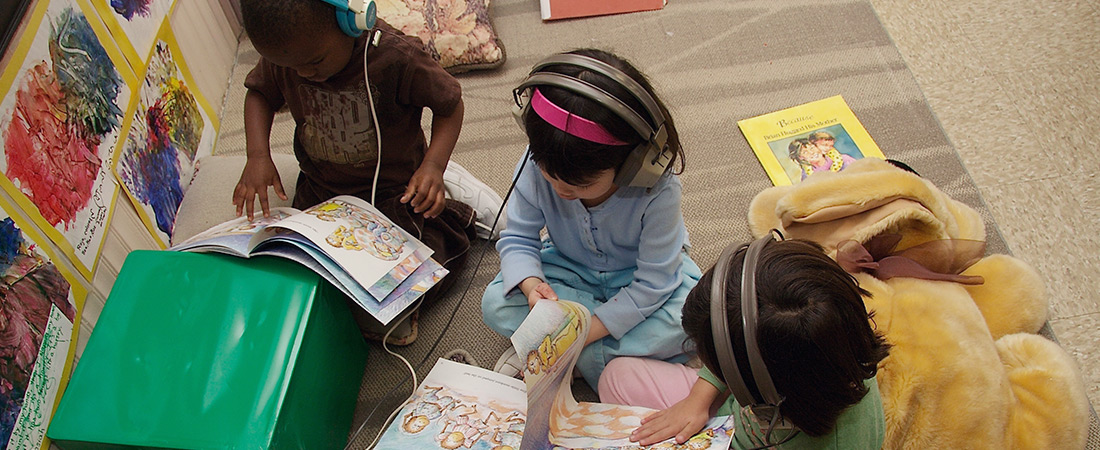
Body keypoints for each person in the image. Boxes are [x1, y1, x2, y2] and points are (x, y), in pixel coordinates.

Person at [235, 0, 503, 340]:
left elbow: (450, 105)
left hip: (395, 190)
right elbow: (258, 93)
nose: (303, 73)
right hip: (320, 190)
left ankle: (446, 182)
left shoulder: (395, 56)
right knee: (298, 276)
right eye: (290, 66)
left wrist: (434, 165)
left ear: (349, 20)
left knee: (415, 282)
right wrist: (257, 155)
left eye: (314, 62)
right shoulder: (292, 52)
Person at [480, 48, 701, 390]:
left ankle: (561, 356)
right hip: (569, 269)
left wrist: (579, 333)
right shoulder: (538, 161)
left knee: (691, 319)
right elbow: (519, 239)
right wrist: (531, 287)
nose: (559, 190)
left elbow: (655, 283)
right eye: (549, 177)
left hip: (641, 282)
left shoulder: (657, 188)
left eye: (578, 185)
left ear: (635, 164)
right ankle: (608, 361)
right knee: (496, 302)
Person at [598, 238, 890, 449]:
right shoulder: (834, 330)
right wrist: (696, 401)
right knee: (617, 375)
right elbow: (743, 339)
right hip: (733, 412)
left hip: (739, 433)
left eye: (717, 363)